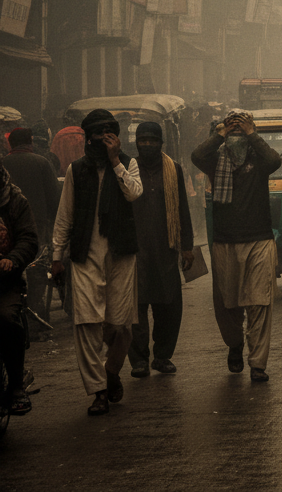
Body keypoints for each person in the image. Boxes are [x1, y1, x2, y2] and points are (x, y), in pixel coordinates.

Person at [51, 109, 143, 415]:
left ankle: (112, 371)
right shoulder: (77, 170)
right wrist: (56, 256)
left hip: (121, 255)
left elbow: (134, 193)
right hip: (85, 256)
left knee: (121, 326)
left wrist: (116, 162)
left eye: (108, 134)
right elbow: (65, 217)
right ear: (87, 138)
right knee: (87, 324)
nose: (101, 140)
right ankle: (99, 391)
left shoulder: (128, 163)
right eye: (96, 135)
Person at [192, 110, 281, 383]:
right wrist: (221, 132)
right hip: (225, 242)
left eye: (242, 131)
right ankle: (234, 345)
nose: (237, 136)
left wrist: (251, 133)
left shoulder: (259, 159)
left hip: (259, 240)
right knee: (228, 306)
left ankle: (257, 363)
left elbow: (274, 159)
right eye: (233, 132)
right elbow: (197, 156)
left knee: (259, 302)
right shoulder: (215, 161)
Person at [128, 122, 195, 379]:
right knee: (136, 307)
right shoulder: (128, 169)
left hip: (166, 248)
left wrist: (186, 247)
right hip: (135, 250)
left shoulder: (173, 170)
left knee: (169, 306)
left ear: (161, 143)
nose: (147, 144)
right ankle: (139, 360)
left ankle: (162, 356)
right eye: (142, 140)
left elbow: (183, 209)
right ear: (136, 143)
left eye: (152, 140)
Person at [3, 127, 60, 319]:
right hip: (37, 227)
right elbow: (54, 200)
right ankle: (35, 317)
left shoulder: (3, 164)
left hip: (7, 229)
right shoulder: (42, 163)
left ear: (10, 143)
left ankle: (15, 313)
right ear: (31, 142)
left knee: (11, 268)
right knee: (36, 271)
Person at [0, 161, 38, 415]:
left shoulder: (15, 200)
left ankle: (15, 385)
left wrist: (12, 259)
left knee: (5, 319)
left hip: (6, 281)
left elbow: (28, 239)